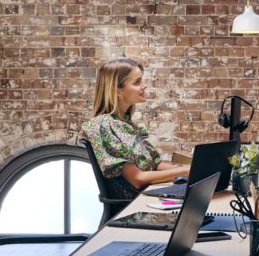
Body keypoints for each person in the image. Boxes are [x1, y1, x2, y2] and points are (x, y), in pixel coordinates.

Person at [81, 58, 189, 200]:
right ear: (117, 90)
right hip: (133, 208)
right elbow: (138, 179)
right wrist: (186, 171)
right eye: (137, 82)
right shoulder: (104, 126)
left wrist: (192, 171)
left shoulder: (124, 123)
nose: (144, 86)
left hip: (148, 198)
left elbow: (155, 164)